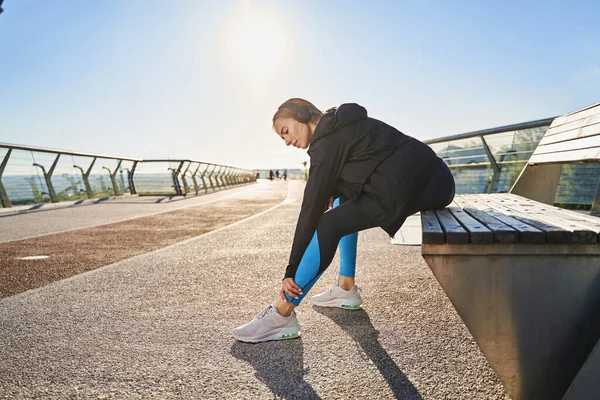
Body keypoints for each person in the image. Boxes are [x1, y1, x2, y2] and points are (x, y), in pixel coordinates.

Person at [233, 98, 455, 343]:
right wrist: (336, 190)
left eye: (286, 131)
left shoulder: (326, 142)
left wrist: (291, 270)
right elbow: (366, 163)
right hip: (434, 180)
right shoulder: (339, 124)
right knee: (340, 204)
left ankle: (282, 313)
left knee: (328, 224)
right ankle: (346, 288)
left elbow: (310, 210)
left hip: (426, 188)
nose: (287, 141)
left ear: (303, 114)